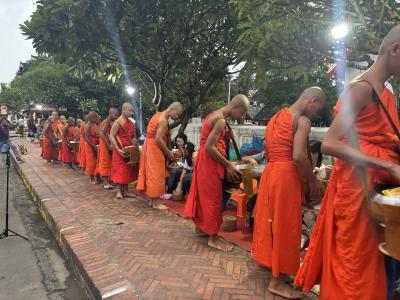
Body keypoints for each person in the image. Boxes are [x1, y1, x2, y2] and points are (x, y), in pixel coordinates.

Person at [295, 25, 400, 300]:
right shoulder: (361, 89)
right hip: (358, 189)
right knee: (356, 262)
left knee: (380, 258)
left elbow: (382, 137)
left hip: (379, 189)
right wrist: (387, 165)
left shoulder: (385, 91)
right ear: (395, 49)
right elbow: (330, 143)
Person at [252, 87, 326, 299]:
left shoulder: (276, 117)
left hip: (271, 173)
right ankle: (276, 282)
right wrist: (312, 180)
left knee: (272, 223)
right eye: (317, 108)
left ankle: (279, 272)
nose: (314, 114)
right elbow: (298, 156)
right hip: (286, 177)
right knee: (287, 226)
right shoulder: (301, 120)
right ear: (312, 100)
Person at [184, 95, 249, 251]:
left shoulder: (215, 115)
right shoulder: (220, 120)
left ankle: (201, 228)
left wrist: (225, 135)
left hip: (205, 163)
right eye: (242, 113)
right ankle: (213, 238)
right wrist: (228, 165)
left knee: (205, 198)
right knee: (214, 200)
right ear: (236, 107)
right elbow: (209, 147)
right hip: (210, 164)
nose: (241, 117)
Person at [137, 102, 183, 209]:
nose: (177, 116)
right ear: (172, 109)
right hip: (154, 146)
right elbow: (158, 139)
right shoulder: (162, 120)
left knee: (153, 172)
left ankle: (153, 199)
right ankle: (155, 202)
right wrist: (168, 152)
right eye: (178, 113)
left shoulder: (158, 115)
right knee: (156, 173)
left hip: (150, 145)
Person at [110, 103, 139, 199]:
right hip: (120, 148)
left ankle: (126, 191)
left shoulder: (131, 122)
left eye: (132, 111)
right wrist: (117, 149)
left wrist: (134, 140)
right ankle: (119, 191)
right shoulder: (117, 122)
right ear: (123, 110)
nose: (131, 112)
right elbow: (111, 136)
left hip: (129, 148)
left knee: (128, 170)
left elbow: (133, 136)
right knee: (120, 169)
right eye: (129, 110)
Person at [98, 108, 119, 189]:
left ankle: (108, 181)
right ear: (110, 114)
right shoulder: (106, 121)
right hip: (105, 143)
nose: (116, 117)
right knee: (105, 162)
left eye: (117, 115)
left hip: (107, 142)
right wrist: (108, 145)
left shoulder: (110, 121)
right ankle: (106, 183)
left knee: (109, 161)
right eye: (115, 115)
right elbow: (101, 133)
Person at [163, 133, 188, 199]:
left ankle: (170, 191)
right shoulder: (175, 147)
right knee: (169, 169)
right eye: (177, 141)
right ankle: (166, 189)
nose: (178, 143)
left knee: (174, 171)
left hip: (185, 167)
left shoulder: (188, 148)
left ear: (184, 141)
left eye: (180, 141)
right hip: (176, 165)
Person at [84, 112, 101, 184]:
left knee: (97, 161)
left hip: (95, 144)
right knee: (91, 162)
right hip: (89, 145)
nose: (97, 118)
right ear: (91, 118)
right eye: (95, 117)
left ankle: (97, 177)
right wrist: (93, 146)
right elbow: (86, 137)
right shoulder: (88, 125)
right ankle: (92, 178)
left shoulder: (94, 124)